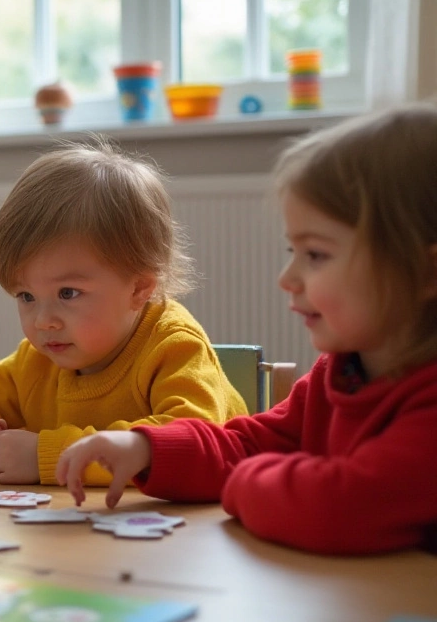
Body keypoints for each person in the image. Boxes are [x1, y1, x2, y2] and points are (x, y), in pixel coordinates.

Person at [57, 105, 437, 555]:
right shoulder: (341, 372)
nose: (287, 277)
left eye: (315, 255)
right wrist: (145, 447)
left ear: (424, 272)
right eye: (292, 249)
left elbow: (336, 508)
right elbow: (247, 441)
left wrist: (244, 482)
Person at [0, 142, 247, 485]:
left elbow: (189, 443)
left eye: (68, 293)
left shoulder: (174, 347)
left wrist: (49, 456)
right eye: (26, 296)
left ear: (139, 288)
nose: (42, 321)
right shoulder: (36, 362)